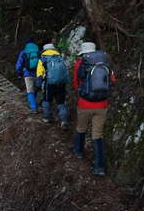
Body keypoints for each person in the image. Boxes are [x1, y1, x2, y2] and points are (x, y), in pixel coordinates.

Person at [72, 42, 116, 176]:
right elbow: (113, 80)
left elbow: (76, 83)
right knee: (98, 135)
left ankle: (78, 151)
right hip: (102, 105)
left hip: (85, 104)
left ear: (83, 53)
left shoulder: (80, 63)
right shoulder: (105, 63)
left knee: (81, 128)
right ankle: (99, 167)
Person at [35, 43, 69, 129]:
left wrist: (38, 86)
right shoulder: (60, 58)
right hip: (61, 84)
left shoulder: (42, 60)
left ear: (45, 51)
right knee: (61, 102)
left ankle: (46, 118)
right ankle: (64, 120)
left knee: (46, 100)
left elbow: (39, 74)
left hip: (48, 84)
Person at [15, 38, 40, 113]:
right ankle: (35, 103)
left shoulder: (24, 52)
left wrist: (19, 73)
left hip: (27, 73)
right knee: (35, 89)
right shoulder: (38, 51)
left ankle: (33, 108)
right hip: (37, 73)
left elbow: (19, 65)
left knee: (30, 91)